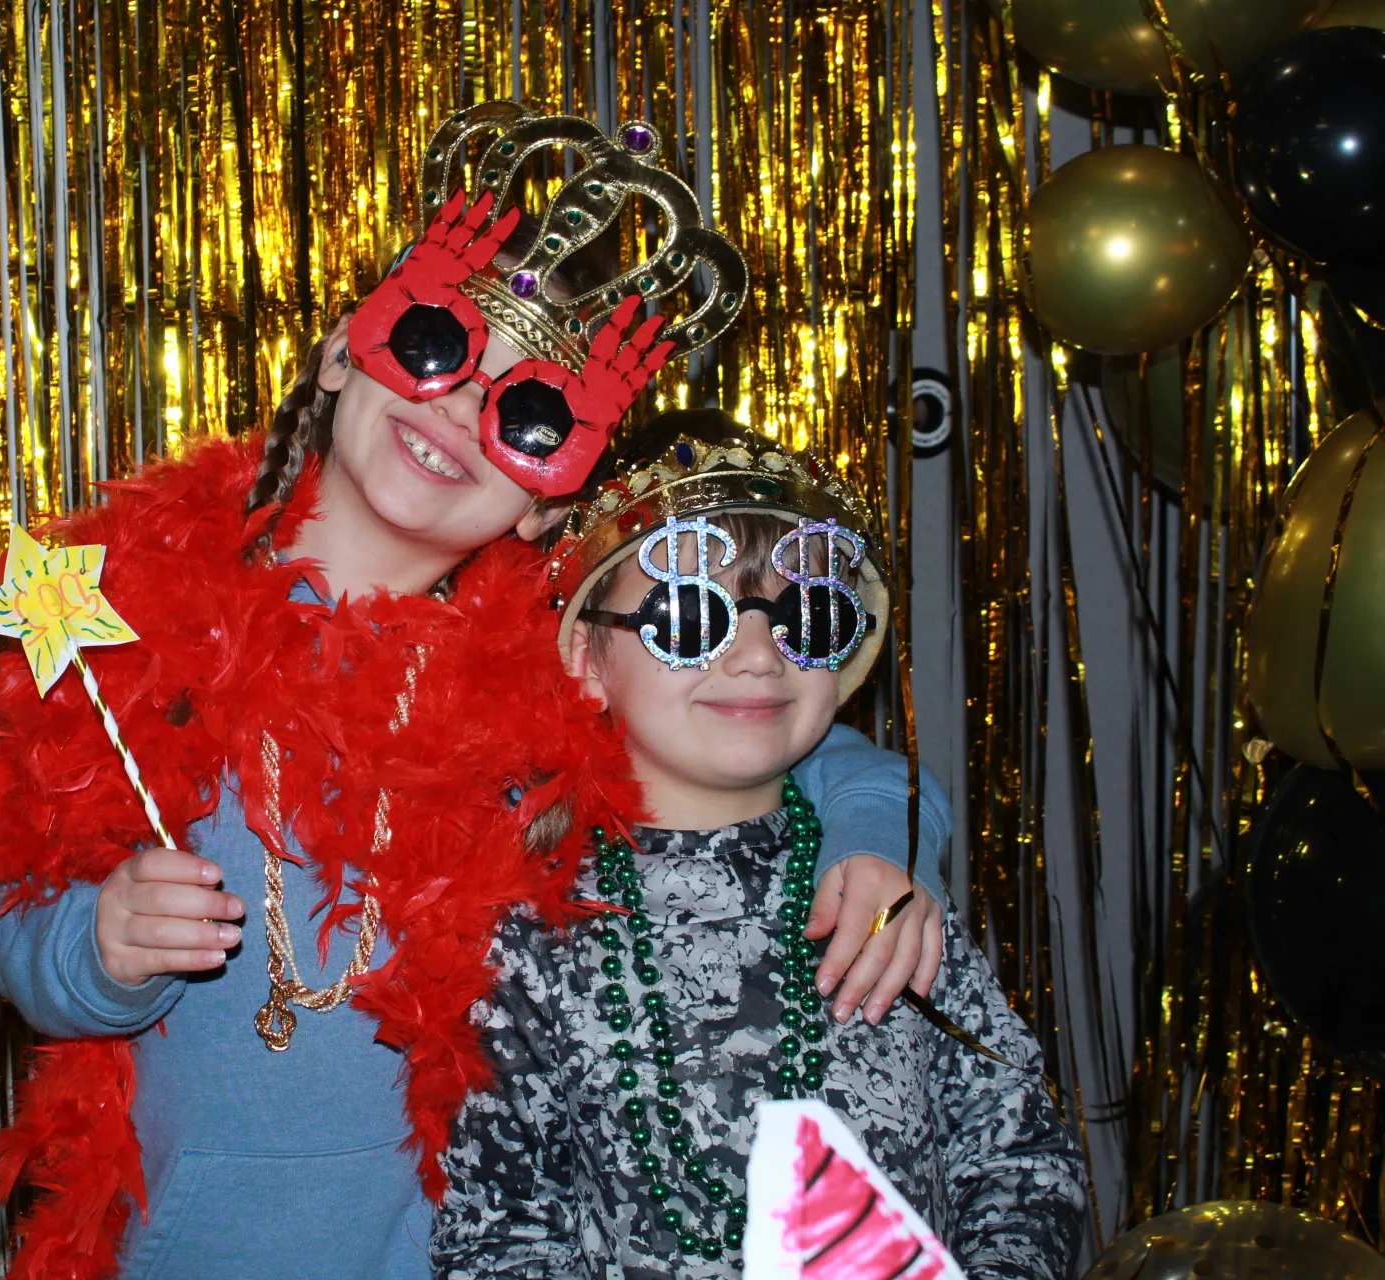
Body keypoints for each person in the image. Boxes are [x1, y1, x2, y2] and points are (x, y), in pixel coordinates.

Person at [0, 105, 953, 1280]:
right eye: (435, 345)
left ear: (545, 501)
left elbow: (804, 731)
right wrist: (100, 945)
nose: (458, 412)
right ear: (341, 351)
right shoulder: (129, 614)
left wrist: (879, 852)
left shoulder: (560, 661)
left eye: (529, 416)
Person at [430, 413, 1089, 1280]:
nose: (755, 656)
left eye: (804, 615)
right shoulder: (529, 929)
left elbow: (1022, 1156)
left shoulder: (880, 893)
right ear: (588, 657)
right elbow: (499, 1231)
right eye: (687, 615)